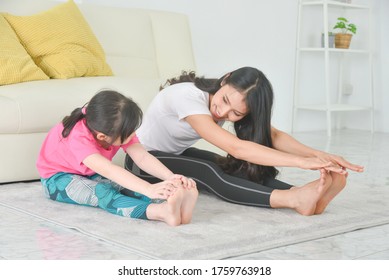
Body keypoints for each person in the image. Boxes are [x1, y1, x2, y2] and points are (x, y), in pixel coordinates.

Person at [125, 66, 364, 216]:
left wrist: (318, 156)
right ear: (225, 78)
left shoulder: (223, 103)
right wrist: (302, 162)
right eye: (226, 100)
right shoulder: (187, 97)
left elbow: (276, 136)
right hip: (142, 163)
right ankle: (290, 199)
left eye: (236, 114)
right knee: (208, 171)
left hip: (172, 156)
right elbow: (236, 147)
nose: (224, 112)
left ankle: (306, 194)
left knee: (226, 165)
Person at [36, 90, 198, 226]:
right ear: (102, 136)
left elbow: (141, 156)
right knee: (104, 192)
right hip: (57, 179)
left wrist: (170, 177)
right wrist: (149, 188)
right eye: (129, 135)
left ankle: (174, 205)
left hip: (89, 173)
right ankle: (159, 212)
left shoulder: (116, 128)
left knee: (127, 186)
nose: (133, 137)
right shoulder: (78, 138)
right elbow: (110, 170)